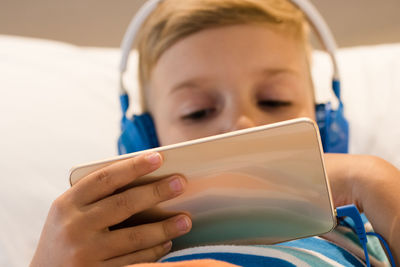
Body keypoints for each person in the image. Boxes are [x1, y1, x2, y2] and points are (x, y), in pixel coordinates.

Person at [30, 0, 400, 266]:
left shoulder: (367, 227)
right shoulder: (113, 252)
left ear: (326, 126)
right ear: (143, 141)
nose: (242, 125)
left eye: (274, 101)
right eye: (199, 111)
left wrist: (370, 179)